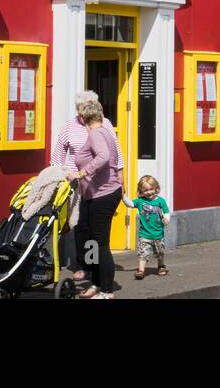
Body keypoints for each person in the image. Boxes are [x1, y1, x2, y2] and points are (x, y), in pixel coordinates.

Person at [52, 89, 124, 279]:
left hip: (99, 186)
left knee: (94, 229)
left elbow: (115, 152)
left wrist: (120, 177)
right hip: (74, 184)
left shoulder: (104, 125)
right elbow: (58, 155)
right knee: (80, 226)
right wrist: (60, 176)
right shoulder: (69, 126)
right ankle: (82, 265)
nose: (80, 113)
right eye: (78, 109)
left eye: (83, 109)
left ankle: (93, 269)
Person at [68, 99, 125, 299]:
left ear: (83, 118)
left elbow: (103, 157)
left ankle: (107, 291)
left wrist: (82, 173)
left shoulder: (96, 135)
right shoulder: (105, 132)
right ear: (100, 115)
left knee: (100, 243)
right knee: (89, 239)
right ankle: (96, 284)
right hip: (93, 195)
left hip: (103, 195)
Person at [122, 175, 170, 280]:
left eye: (151, 189)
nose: (149, 192)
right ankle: (141, 270)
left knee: (160, 252)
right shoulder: (140, 201)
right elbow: (129, 204)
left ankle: (161, 266)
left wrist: (166, 218)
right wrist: (123, 196)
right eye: (146, 190)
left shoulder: (160, 201)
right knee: (142, 253)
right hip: (144, 234)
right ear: (141, 191)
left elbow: (166, 211)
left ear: (156, 188)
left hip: (158, 233)